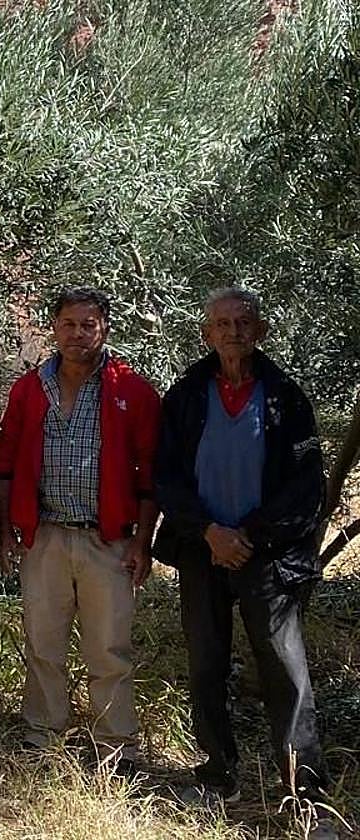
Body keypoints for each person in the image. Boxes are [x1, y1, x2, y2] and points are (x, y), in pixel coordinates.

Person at [154, 288, 331, 822]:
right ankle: (216, 777)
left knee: (285, 669)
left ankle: (307, 796)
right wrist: (209, 531)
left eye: (243, 322)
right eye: (222, 323)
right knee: (206, 665)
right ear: (207, 333)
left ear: (260, 331)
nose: (233, 331)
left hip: (266, 554)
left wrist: (248, 536)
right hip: (201, 548)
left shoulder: (286, 397)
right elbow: (166, 476)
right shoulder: (186, 395)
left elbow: (306, 485)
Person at [0, 288, 160, 776]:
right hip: (44, 534)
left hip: (107, 540)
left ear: (104, 328)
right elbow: (5, 465)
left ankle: (117, 747)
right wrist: (7, 529)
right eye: (68, 324)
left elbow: (152, 474)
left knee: (108, 648)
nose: (77, 334)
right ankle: (43, 736)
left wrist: (142, 541)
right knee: (43, 642)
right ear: (54, 328)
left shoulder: (130, 388)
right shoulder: (30, 388)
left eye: (88, 325)